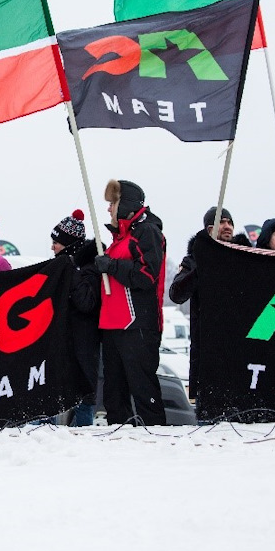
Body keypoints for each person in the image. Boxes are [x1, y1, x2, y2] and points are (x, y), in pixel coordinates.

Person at [92, 180, 167, 426]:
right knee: (114, 394)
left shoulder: (148, 232)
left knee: (143, 390)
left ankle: (156, 438)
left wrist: (111, 265)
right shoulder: (119, 238)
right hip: (113, 325)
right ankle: (119, 441)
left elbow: (147, 275)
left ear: (125, 205)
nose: (108, 209)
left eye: (112, 203)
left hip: (138, 324)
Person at [168, 207, 251, 403]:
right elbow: (177, 294)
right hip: (208, 342)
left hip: (241, 338)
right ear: (208, 229)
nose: (227, 226)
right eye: (221, 222)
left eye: (230, 222)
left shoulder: (246, 257)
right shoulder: (194, 261)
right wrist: (203, 264)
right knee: (209, 402)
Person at [52, 209, 102, 427]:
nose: (52, 246)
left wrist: (70, 271)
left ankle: (83, 438)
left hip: (83, 344)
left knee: (84, 399)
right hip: (64, 343)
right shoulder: (64, 267)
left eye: (56, 242)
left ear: (69, 244)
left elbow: (86, 303)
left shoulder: (88, 269)